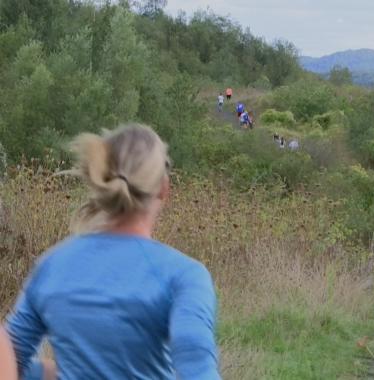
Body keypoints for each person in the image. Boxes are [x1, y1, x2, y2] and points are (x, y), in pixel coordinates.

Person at [4, 124, 220, 379]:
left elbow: (10, 357)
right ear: (164, 187)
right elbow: (196, 367)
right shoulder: (184, 276)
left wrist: (57, 373)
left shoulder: (52, 265)